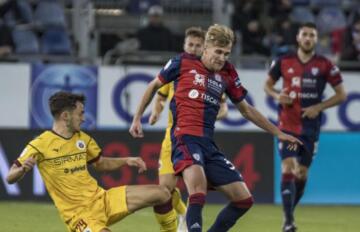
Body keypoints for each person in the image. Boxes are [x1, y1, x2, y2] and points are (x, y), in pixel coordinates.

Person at [130, 24, 301, 232]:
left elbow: (247, 110)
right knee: (197, 191)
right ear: (205, 49)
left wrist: (279, 133)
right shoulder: (182, 62)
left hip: (208, 145)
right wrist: (137, 117)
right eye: (218, 52)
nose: (221, 57)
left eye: (226, 53)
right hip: (184, 138)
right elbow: (153, 86)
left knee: (243, 200)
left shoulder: (228, 73)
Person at [6, 91, 171, 232]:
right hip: (79, 215)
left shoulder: (83, 139)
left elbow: (101, 164)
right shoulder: (39, 144)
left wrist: (126, 160)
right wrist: (21, 171)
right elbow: (10, 177)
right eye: (80, 113)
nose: (83, 118)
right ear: (65, 116)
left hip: (104, 199)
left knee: (162, 193)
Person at [264, 22, 347, 232]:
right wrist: (277, 95)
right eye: (305, 34)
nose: (308, 38)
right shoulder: (283, 61)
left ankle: (289, 212)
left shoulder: (325, 65)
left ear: (316, 39)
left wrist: (318, 107)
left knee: (301, 174)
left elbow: (341, 95)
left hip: (310, 129)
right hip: (287, 126)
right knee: (288, 167)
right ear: (298, 38)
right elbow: (268, 86)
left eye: (312, 35)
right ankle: (288, 221)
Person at [149, 26, 228, 232]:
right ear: (184, 45)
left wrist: (208, 114)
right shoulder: (178, 69)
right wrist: (156, 112)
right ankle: (184, 215)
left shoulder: (212, 75)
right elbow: (160, 95)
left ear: (205, 48)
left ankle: (187, 220)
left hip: (196, 137)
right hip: (171, 137)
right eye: (190, 44)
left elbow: (224, 108)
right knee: (164, 190)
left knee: (196, 189)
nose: (193, 49)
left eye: (197, 45)